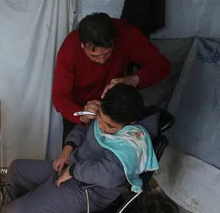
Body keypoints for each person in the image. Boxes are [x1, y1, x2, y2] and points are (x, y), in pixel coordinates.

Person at [0, 84, 158, 213]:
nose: (101, 126)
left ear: (131, 124)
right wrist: (68, 148)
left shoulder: (129, 144)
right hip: (72, 167)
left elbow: (109, 176)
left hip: (89, 190)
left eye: (110, 126)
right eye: (100, 117)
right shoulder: (105, 115)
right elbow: (83, 129)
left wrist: (72, 171)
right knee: (17, 169)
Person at [52, 12, 171, 141]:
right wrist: (81, 116)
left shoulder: (127, 34)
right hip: (81, 109)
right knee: (73, 152)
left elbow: (162, 65)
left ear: (114, 40)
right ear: (82, 45)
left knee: (115, 154)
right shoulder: (70, 50)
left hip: (115, 111)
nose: (102, 60)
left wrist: (134, 79)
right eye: (94, 56)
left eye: (108, 53)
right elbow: (59, 96)